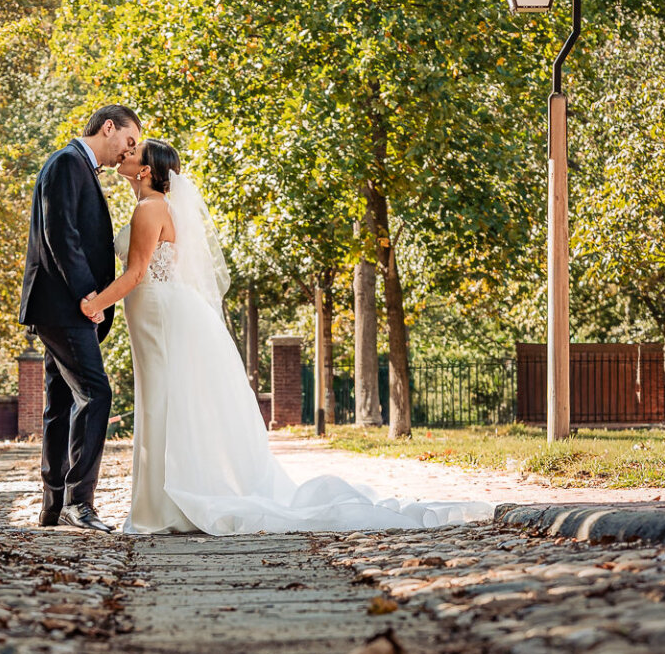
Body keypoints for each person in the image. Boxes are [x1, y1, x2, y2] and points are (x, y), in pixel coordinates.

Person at [77, 140, 494, 535]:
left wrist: (94, 305)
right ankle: (162, 503)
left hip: (160, 316)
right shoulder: (156, 206)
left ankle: (163, 507)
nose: (125, 155)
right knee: (164, 402)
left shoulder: (149, 209)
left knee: (165, 401)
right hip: (157, 314)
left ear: (146, 170)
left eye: (133, 152)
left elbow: (135, 274)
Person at [18, 105, 143, 534]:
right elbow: (60, 234)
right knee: (96, 395)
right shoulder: (67, 163)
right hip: (64, 305)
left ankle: (53, 506)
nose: (127, 152)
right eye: (128, 141)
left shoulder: (78, 167)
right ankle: (78, 502)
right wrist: (89, 295)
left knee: (61, 404)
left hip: (59, 306)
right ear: (109, 127)